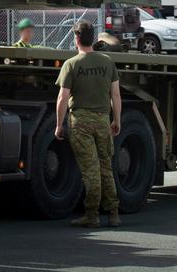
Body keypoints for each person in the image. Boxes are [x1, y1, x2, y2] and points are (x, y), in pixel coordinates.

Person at [54, 21, 122, 229]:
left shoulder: (72, 64)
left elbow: (62, 98)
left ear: (76, 39)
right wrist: (117, 120)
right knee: (105, 168)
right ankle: (113, 214)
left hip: (80, 121)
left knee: (90, 170)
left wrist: (59, 125)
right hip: (102, 120)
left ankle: (92, 215)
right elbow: (116, 95)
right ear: (93, 39)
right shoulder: (108, 62)